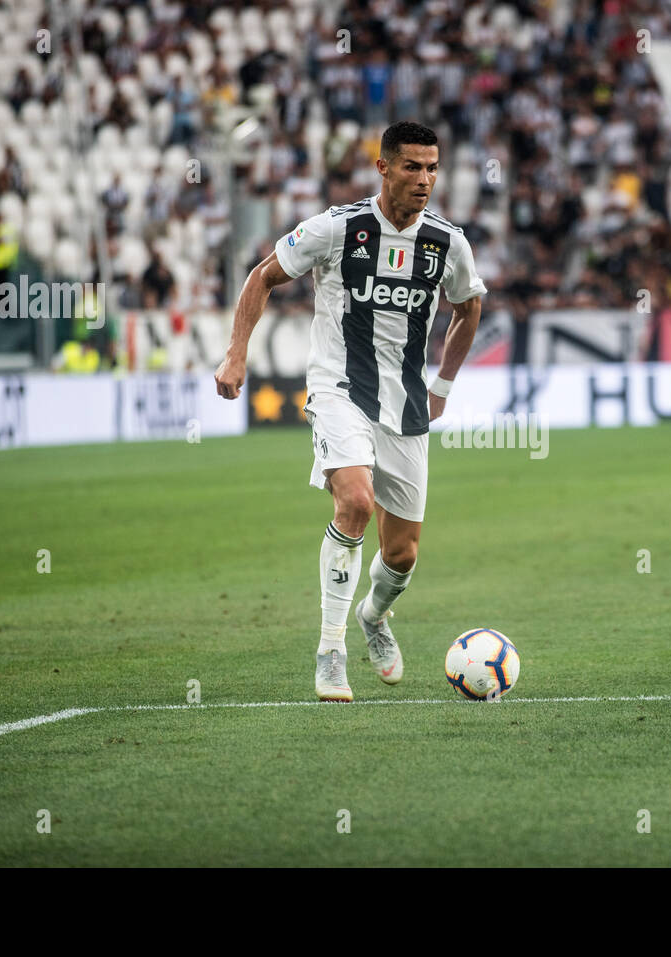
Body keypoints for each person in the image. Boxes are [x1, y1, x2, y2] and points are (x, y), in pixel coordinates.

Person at [214, 121, 486, 701]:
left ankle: (373, 617)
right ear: (383, 167)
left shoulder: (447, 243)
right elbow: (263, 278)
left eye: (433, 167)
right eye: (412, 166)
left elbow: (469, 308)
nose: (425, 179)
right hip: (339, 389)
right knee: (356, 501)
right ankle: (330, 648)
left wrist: (442, 383)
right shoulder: (336, 229)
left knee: (402, 554)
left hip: (407, 404)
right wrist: (237, 354)